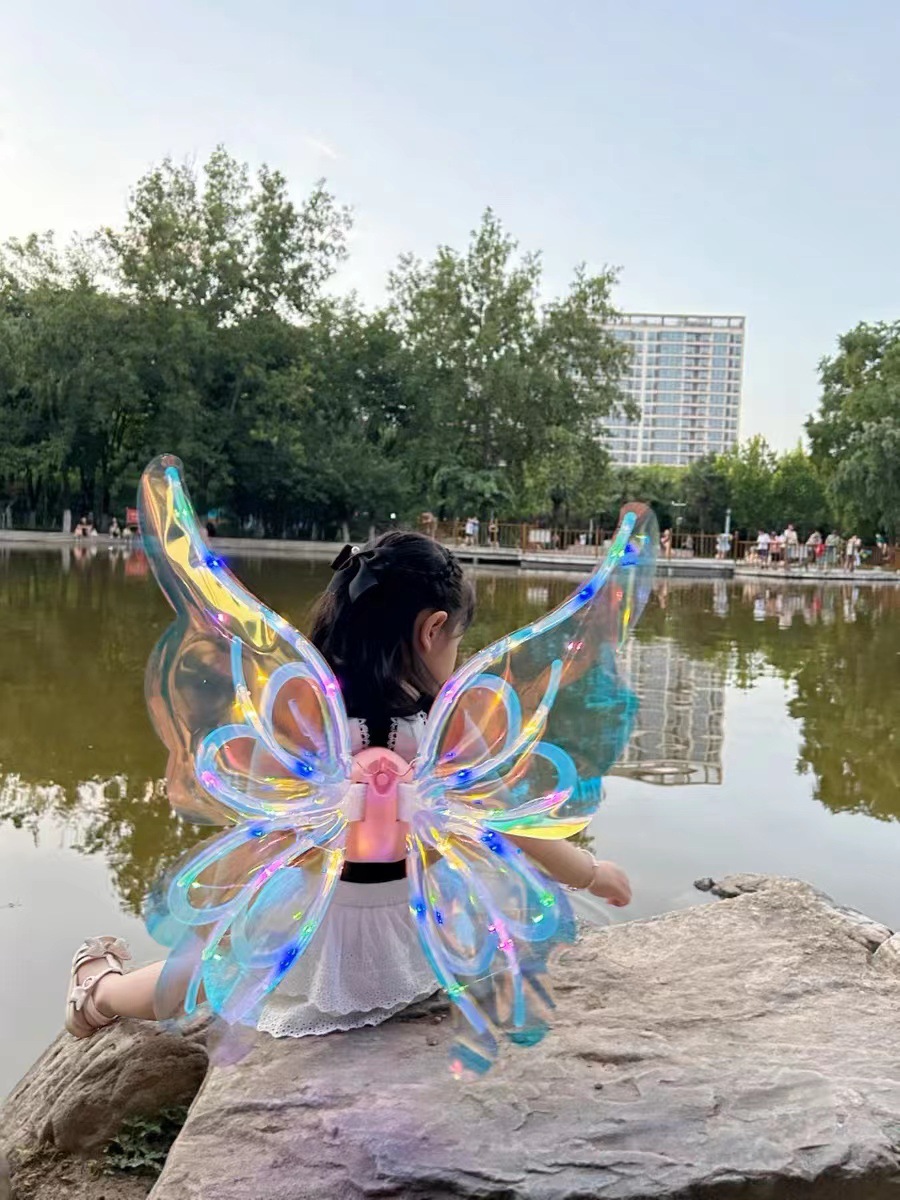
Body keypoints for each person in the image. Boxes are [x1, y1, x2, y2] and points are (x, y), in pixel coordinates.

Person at [65, 532, 632, 1040]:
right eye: (458, 640)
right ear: (434, 629)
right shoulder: (444, 731)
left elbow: (267, 821)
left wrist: (231, 906)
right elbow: (509, 824)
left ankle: (98, 998)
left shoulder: (301, 714)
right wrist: (590, 873)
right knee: (501, 897)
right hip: (418, 935)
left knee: (202, 970)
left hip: (314, 932)